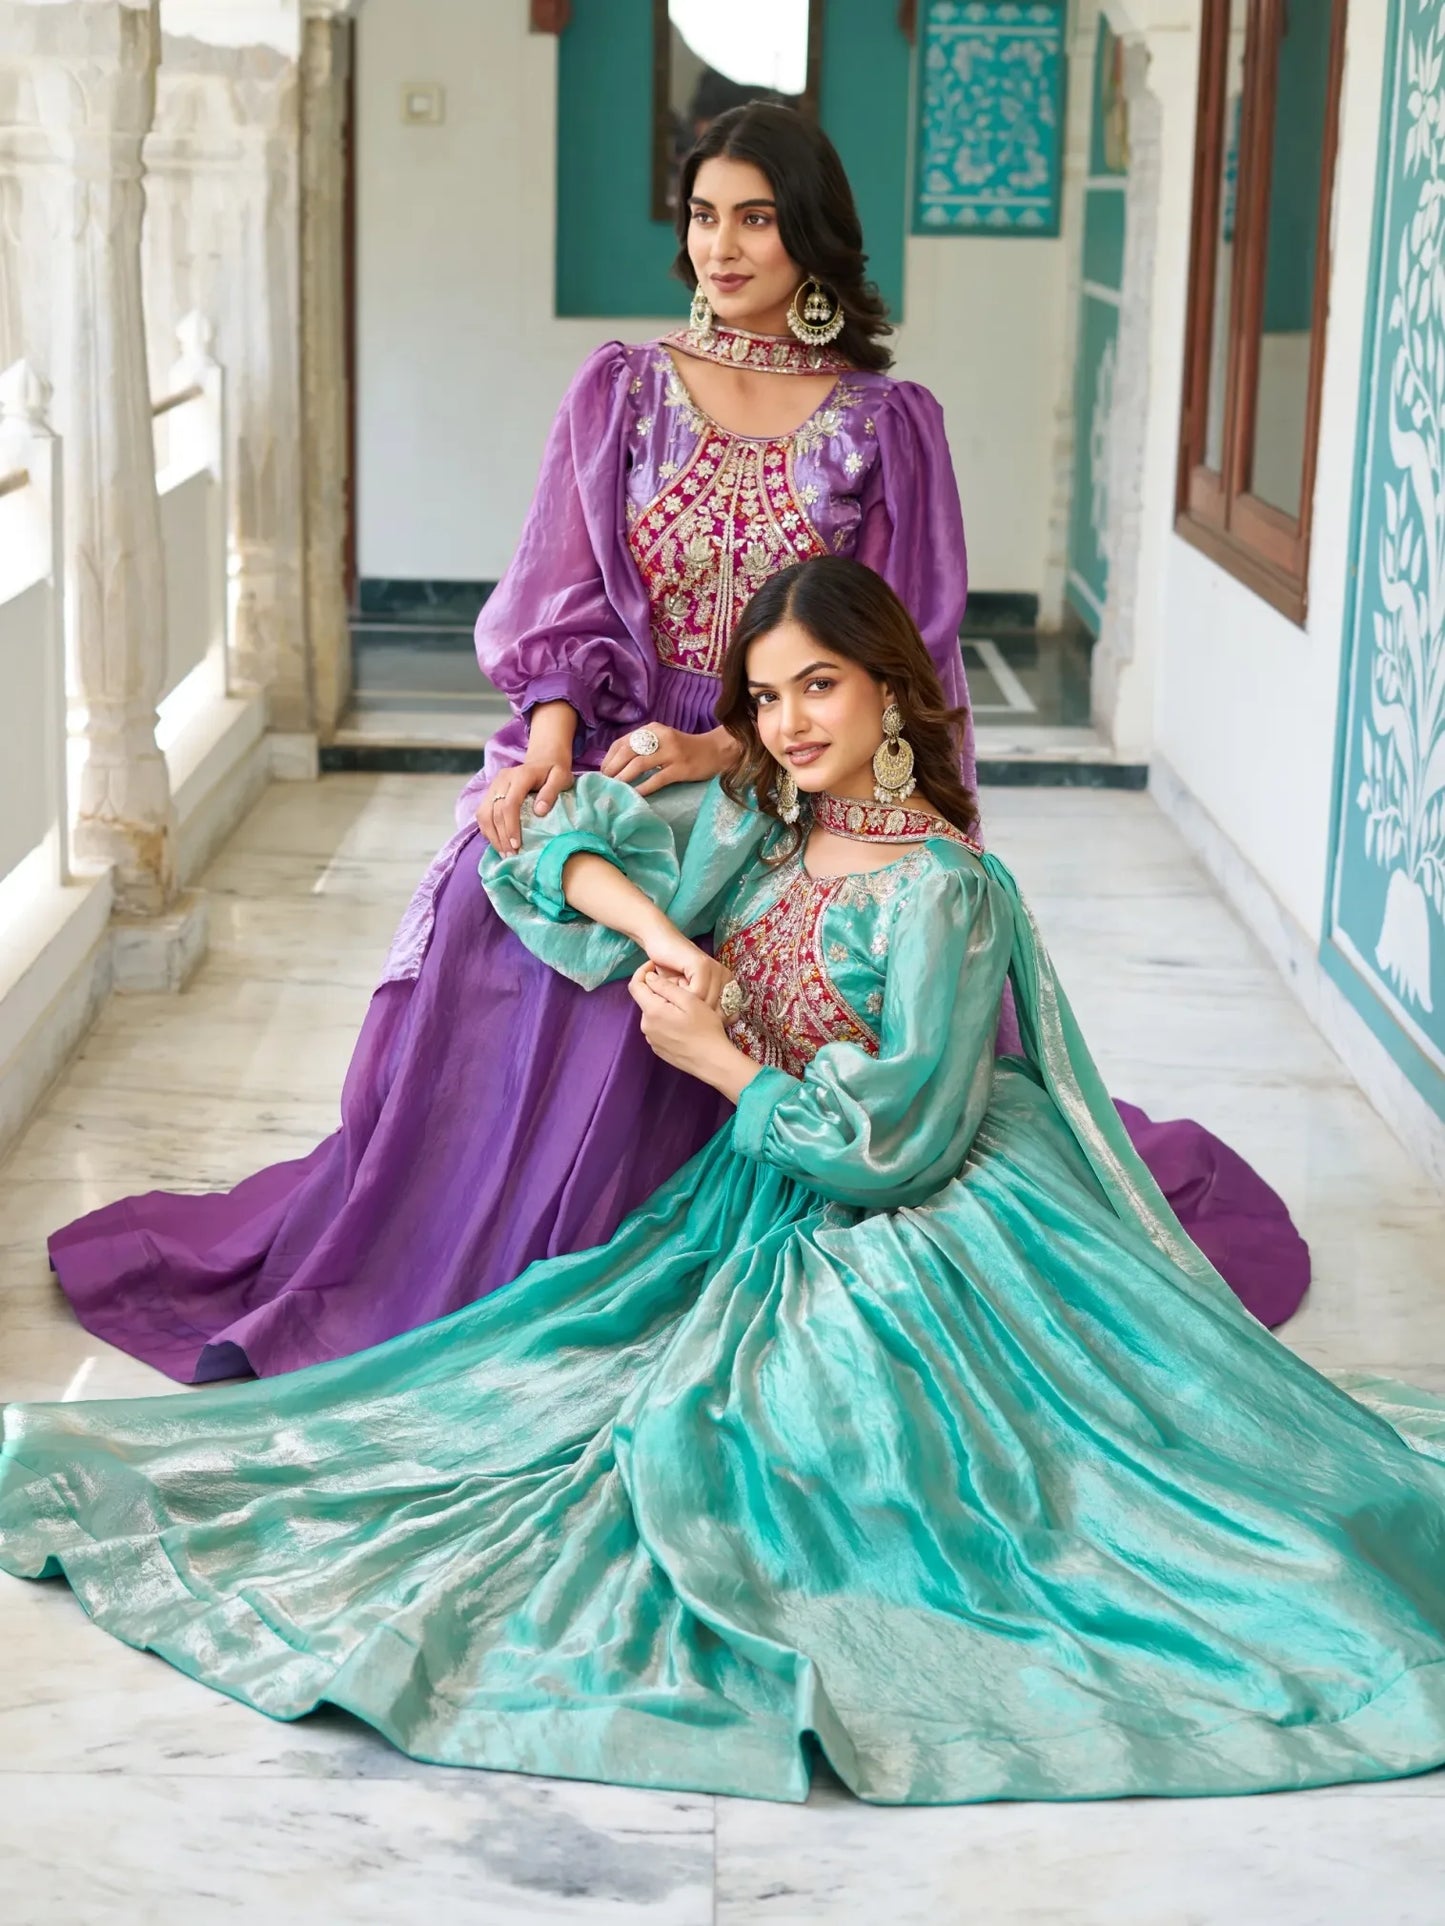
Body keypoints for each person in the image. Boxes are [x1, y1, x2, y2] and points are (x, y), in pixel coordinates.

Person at [3, 558, 1440, 1808]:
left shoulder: (944, 888)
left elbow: (901, 1148)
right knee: (550, 1394)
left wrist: (724, 1064)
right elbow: (546, 850)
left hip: (923, 1213)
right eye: (763, 696)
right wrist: (667, 939)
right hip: (763, 1189)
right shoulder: (763, 822)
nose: (791, 722)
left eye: (820, 686)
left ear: (891, 690)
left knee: (783, 1442)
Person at [44, 105, 1304, 1387]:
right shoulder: (622, 391)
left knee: (743, 939)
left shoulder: (884, 425)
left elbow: (896, 653)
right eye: (704, 216)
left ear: (809, 232)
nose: (722, 246)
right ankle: (479, 1249)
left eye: (755, 217)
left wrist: (736, 755)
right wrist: (549, 737)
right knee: (495, 895)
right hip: (614, 743)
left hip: (783, 768)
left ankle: (703, 1226)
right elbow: (563, 592)